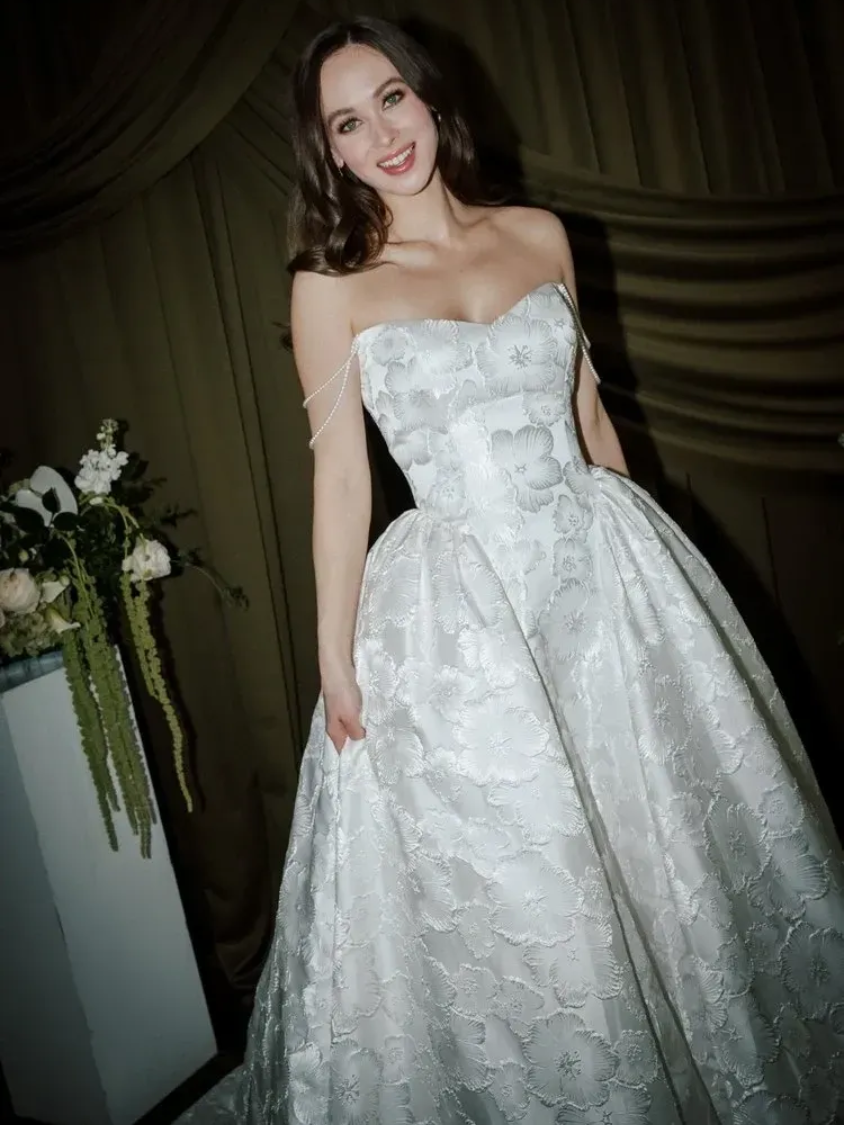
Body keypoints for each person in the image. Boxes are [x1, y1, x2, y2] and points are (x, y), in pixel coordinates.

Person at [178, 16, 844, 1125]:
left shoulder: (538, 234)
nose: (382, 133)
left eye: (391, 98)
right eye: (349, 121)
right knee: (527, 885)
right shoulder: (328, 287)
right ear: (329, 152)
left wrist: (650, 570)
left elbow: (585, 411)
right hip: (459, 620)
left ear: (430, 97)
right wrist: (333, 660)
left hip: (599, 574)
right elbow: (341, 483)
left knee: (667, 845)